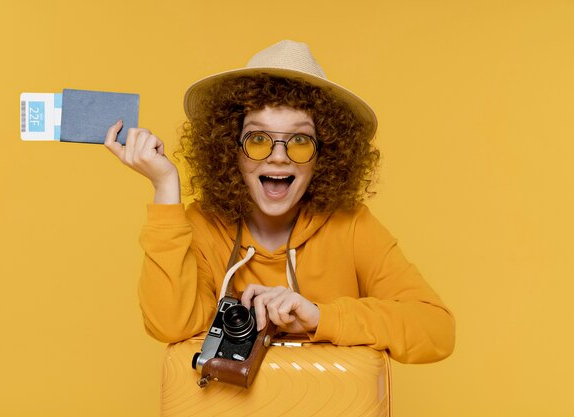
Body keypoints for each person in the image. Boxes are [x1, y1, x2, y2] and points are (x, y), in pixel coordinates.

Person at [104, 40, 455, 364]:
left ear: (325, 155)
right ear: (230, 148)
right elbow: (169, 324)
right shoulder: (203, 224)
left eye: (299, 139)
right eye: (258, 138)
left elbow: (436, 330)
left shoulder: (351, 226)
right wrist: (165, 187)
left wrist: (320, 316)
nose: (278, 157)